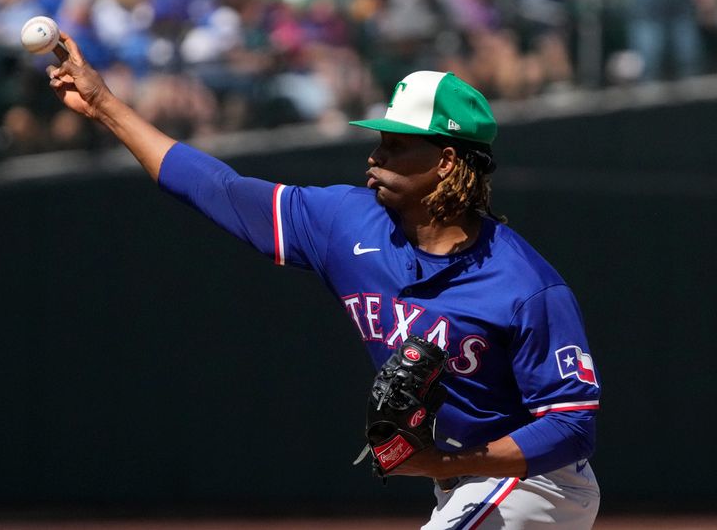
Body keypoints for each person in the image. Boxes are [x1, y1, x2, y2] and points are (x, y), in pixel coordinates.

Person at [47, 32, 601, 529]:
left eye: (396, 143)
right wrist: (105, 105)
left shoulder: (525, 284)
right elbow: (217, 188)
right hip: (461, 485)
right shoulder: (344, 221)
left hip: (537, 485)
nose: (375, 154)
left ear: (448, 162)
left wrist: (442, 462)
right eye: (381, 138)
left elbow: (572, 427)